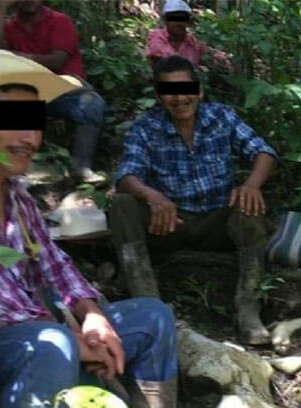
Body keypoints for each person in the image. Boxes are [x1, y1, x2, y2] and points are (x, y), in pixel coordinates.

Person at [0, 50, 178, 408]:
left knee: (153, 317)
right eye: (14, 123)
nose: (30, 138)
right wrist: (73, 340)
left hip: (40, 338)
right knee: (52, 342)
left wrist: (91, 314)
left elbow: (54, 264)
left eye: (34, 124)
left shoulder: (18, 197)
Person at [111, 55, 277, 345]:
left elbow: (263, 151)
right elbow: (127, 174)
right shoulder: (146, 128)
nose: (179, 98)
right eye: (169, 91)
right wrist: (152, 196)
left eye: (186, 89)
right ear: (159, 96)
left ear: (199, 90)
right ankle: (151, 309)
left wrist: (251, 185)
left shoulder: (221, 117)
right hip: (171, 223)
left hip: (218, 219)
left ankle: (249, 310)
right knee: (121, 205)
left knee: (249, 206)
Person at [0, 0, 107, 183]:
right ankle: (5, 165)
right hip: (29, 92)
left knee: (92, 104)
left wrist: (12, 55)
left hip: (63, 89)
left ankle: (81, 168)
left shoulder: (59, 21)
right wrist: (1, 6)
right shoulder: (10, 26)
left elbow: (57, 61)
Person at [145, 0, 233, 74]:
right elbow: (158, 56)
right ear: (165, 20)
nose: (178, 23)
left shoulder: (192, 42)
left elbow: (208, 53)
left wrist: (224, 58)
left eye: (182, 19)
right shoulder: (157, 36)